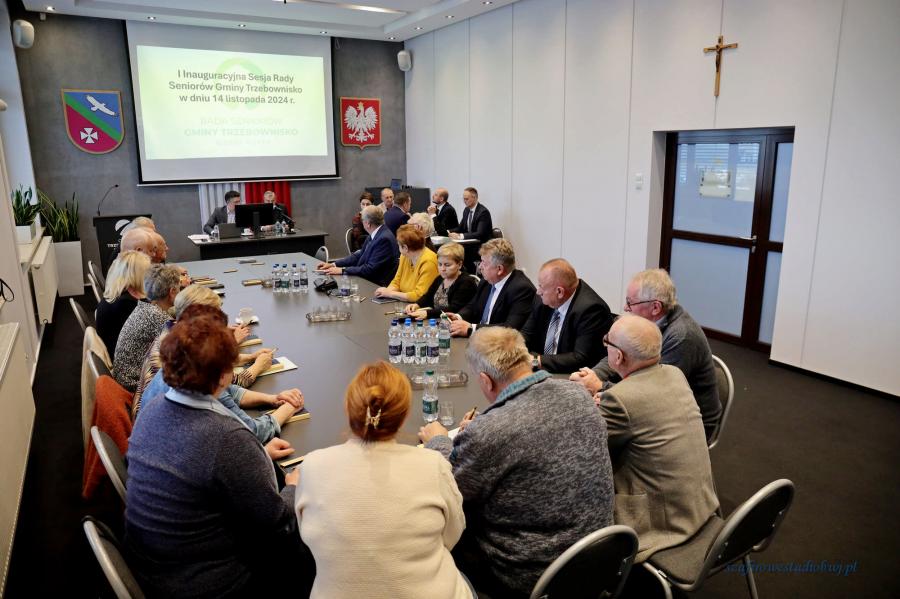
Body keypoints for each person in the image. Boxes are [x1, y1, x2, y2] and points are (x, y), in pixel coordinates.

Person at [419, 327, 614, 598]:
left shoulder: (491, 432)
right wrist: (483, 431)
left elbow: (452, 489)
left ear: (486, 381)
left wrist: (438, 441)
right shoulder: (579, 396)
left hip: (528, 576)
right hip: (598, 559)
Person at [125, 316, 312, 597]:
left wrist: (257, 455)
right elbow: (279, 526)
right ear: (224, 376)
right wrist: (294, 486)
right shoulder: (227, 438)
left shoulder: (154, 408)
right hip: (209, 584)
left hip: (152, 568)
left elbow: (197, 468)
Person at [296, 362, 471, 599]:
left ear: (348, 408)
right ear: (404, 415)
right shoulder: (433, 466)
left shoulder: (311, 467)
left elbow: (309, 538)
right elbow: (452, 536)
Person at [594, 314, 719, 563]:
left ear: (619, 357)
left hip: (663, 523)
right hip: (700, 504)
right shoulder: (675, 374)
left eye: (607, 341)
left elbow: (590, 450)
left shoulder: (621, 399)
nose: (605, 345)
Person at [570, 268, 721, 439]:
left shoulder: (682, 337)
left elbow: (652, 395)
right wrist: (591, 375)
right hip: (656, 401)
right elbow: (616, 350)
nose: (625, 308)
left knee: (596, 438)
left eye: (630, 303)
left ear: (655, 307)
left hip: (689, 424)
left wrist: (600, 386)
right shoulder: (650, 323)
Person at [138, 304, 304, 445]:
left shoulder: (181, 367)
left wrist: (273, 399)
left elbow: (230, 390)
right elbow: (252, 434)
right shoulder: (213, 416)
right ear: (223, 374)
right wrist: (290, 407)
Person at [130, 286, 280, 421]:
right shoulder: (183, 354)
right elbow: (226, 383)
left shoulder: (174, 335)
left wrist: (250, 357)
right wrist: (258, 366)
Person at [520, 259, 613, 373]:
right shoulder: (543, 300)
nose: (538, 292)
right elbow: (526, 334)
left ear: (559, 292)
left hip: (570, 374)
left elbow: (580, 358)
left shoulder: (591, 310)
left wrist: (536, 361)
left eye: (541, 287)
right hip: (542, 369)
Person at [446, 239, 535, 338]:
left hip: (498, 344)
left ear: (499, 269)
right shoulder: (487, 281)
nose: (480, 266)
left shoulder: (522, 289)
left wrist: (472, 328)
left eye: (484, 262)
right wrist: (458, 317)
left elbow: (510, 328)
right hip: (479, 340)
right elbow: (473, 306)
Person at [112, 264, 181, 392]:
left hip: (124, 378)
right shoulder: (158, 317)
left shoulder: (145, 306)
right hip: (135, 386)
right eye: (179, 289)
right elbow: (183, 346)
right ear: (172, 292)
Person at [319, 205, 399, 286]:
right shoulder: (376, 232)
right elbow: (360, 255)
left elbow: (370, 269)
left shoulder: (384, 239)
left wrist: (343, 270)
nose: (362, 222)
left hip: (375, 285)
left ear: (368, 224)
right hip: (368, 279)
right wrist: (334, 264)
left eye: (362, 220)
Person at [95, 250, 151, 354]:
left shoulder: (116, 294)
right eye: (147, 272)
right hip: (125, 357)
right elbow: (152, 330)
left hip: (119, 349)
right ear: (137, 275)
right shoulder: (125, 304)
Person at [405, 242, 477, 321]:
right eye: (439, 264)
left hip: (454, 322)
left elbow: (453, 309)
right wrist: (417, 305)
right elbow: (427, 297)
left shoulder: (466, 282)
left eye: (447, 265)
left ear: (459, 265)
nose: (442, 269)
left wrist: (427, 313)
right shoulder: (440, 278)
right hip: (437, 319)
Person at [374, 224, 439, 303]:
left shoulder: (429, 262)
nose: (398, 247)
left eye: (398, 245)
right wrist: (386, 292)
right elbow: (396, 281)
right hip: (404, 302)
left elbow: (419, 295)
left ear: (405, 248)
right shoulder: (405, 256)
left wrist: (390, 294)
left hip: (420, 306)